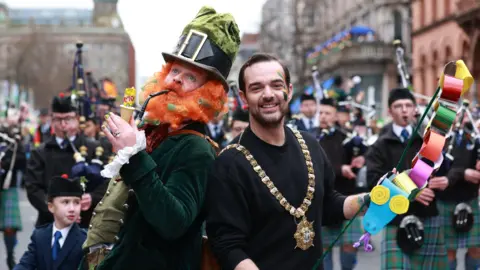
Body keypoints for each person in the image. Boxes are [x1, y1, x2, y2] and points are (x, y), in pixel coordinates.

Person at [80, 6, 241, 270]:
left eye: (190, 77)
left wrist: (133, 155)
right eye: (175, 71)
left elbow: (173, 222)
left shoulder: (197, 149)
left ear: (208, 92)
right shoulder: (157, 131)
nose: (176, 81)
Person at [206, 53, 370, 270]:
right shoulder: (229, 163)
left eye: (276, 85)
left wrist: (373, 198)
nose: (268, 94)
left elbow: (329, 205)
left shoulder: (310, 144)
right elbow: (227, 245)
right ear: (244, 99)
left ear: (289, 91)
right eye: (257, 88)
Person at [365, 88, 450, 269]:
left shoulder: (428, 141)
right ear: (389, 112)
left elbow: (444, 169)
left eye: (408, 105)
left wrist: (444, 180)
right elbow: (374, 182)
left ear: (415, 110)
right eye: (398, 106)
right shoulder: (380, 146)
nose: (404, 110)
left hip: (428, 216)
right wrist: (412, 192)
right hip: (395, 219)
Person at [25, 93, 108, 229]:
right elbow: (33, 188)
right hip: (49, 224)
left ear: (77, 119)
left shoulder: (94, 149)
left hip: (86, 223)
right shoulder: (40, 152)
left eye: (68, 119)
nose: (63, 125)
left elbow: (107, 181)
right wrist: (55, 210)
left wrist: (92, 197)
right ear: (52, 121)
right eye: (58, 119)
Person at [314, 98, 364, 270]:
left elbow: (360, 156)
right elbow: (316, 166)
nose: (323, 117)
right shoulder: (312, 138)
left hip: (347, 198)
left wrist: (360, 159)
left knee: (350, 250)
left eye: (327, 113)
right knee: (324, 252)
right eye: (320, 113)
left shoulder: (346, 137)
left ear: (335, 116)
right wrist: (339, 169)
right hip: (323, 201)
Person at [14, 174, 86, 270]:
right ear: (51, 207)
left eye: (76, 202)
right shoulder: (40, 236)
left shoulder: (85, 240)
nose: (72, 209)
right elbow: (25, 265)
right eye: (65, 202)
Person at [436, 116, 480, 270]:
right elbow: (437, 170)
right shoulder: (435, 139)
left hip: (470, 198)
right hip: (446, 199)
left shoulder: (473, 137)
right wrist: (463, 173)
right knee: (449, 251)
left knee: (477, 249)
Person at [0, 124, 27, 269]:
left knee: (9, 228)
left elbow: (22, 162)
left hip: (7, 188)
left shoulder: (10, 143)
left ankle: (10, 256)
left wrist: (18, 145)